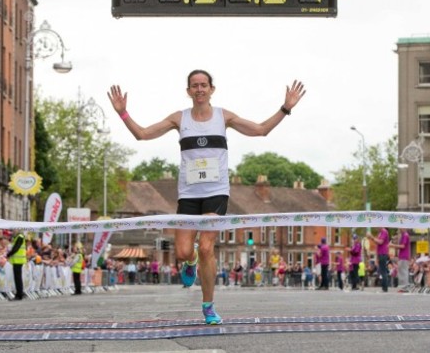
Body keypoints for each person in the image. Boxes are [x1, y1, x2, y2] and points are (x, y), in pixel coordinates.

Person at [108, 71, 305, 324]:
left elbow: (261, 130)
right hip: (189, 195)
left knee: (207, 247)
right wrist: (122, 113)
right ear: (188, 91)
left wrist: (285, 108)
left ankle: (208, 305)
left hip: (216, 193)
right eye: (194, 86)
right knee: (182, 252)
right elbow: (143, 134)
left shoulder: (224, 117)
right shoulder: (179, 119)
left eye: (204, 85)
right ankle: (189, 262)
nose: (199, 89)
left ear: (212, 89)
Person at [367, 227, 390, 292]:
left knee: (383, 271)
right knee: (381, 271)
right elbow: (378, 243)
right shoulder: (380, 233)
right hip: (380, 253)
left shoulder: (384, 232)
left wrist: (372, 237)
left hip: (383, 253)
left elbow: (380, 242)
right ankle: (384, 287)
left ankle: (385, 288)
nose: (376, 228)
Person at [6, 230, 27, 300]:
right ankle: (20, 293)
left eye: (14, 229)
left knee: (17, 278)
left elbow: (16, 248)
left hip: (18, 260)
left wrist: (8, 254)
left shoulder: (20, 237)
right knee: (18, 278)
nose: (13, 231)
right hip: (17, 260)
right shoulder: (18, 237)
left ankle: (19, 294)